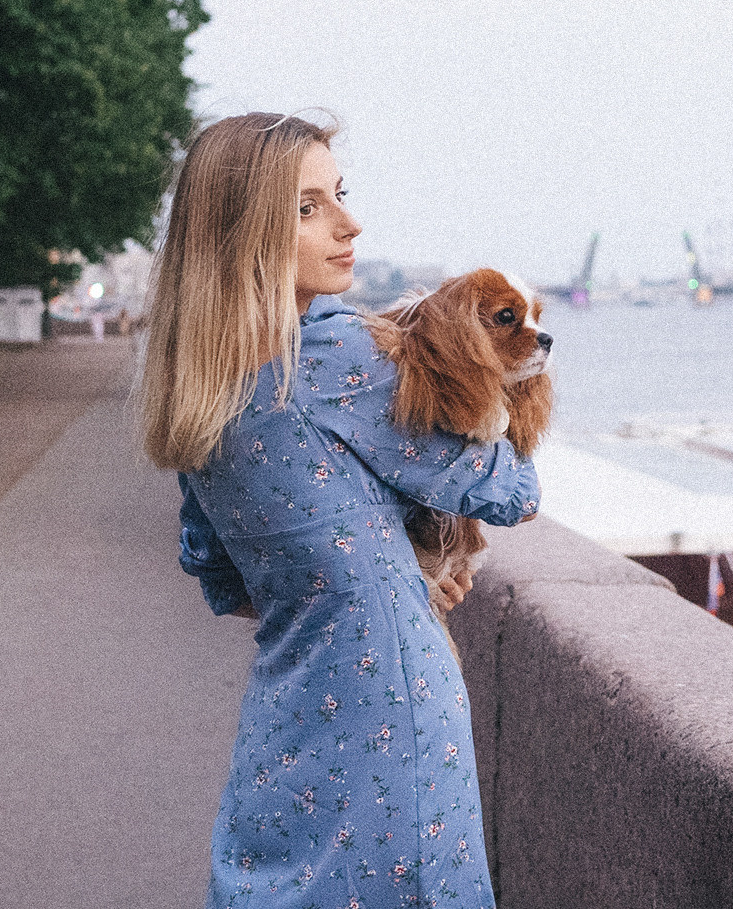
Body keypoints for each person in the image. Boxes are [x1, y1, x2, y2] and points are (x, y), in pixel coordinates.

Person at [140, 112, 538, 908]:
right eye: (308, 207)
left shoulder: (200, 386)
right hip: (394, 726)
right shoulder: (334, 353)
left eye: (341, 195)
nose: (349, 224)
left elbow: (221, 572)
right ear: (242, 232)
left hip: (286, 720)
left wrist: (379, 568)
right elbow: (508, 492)